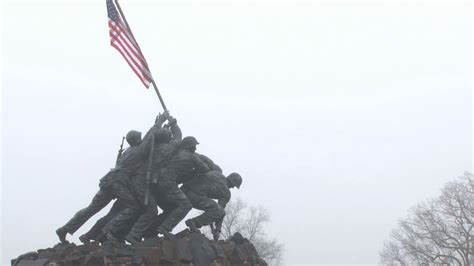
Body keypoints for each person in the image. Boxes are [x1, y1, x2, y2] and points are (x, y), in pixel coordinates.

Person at [55, 113, 168, 243]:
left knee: (91, 209)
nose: (142, 139)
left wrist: (158, 124)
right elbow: (150, 137)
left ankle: (64, 229)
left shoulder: (128, 151)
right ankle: (109, 230)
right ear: (137, 140)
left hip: (108, 180)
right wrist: (159, 122)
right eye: (140, 138)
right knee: (134, 207)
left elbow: (148, 138)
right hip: (118, 183)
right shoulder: (139, 151)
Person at [182, 171, 242, 240]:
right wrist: (217, 230)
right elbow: (220, 211)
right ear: (232, 182)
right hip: (194, 196)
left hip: (183, 190)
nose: (233, 187)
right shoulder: (226, 193)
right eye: (234, 185)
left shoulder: (216, 172)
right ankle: (193, 223)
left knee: (215, 208)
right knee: (220, 212)